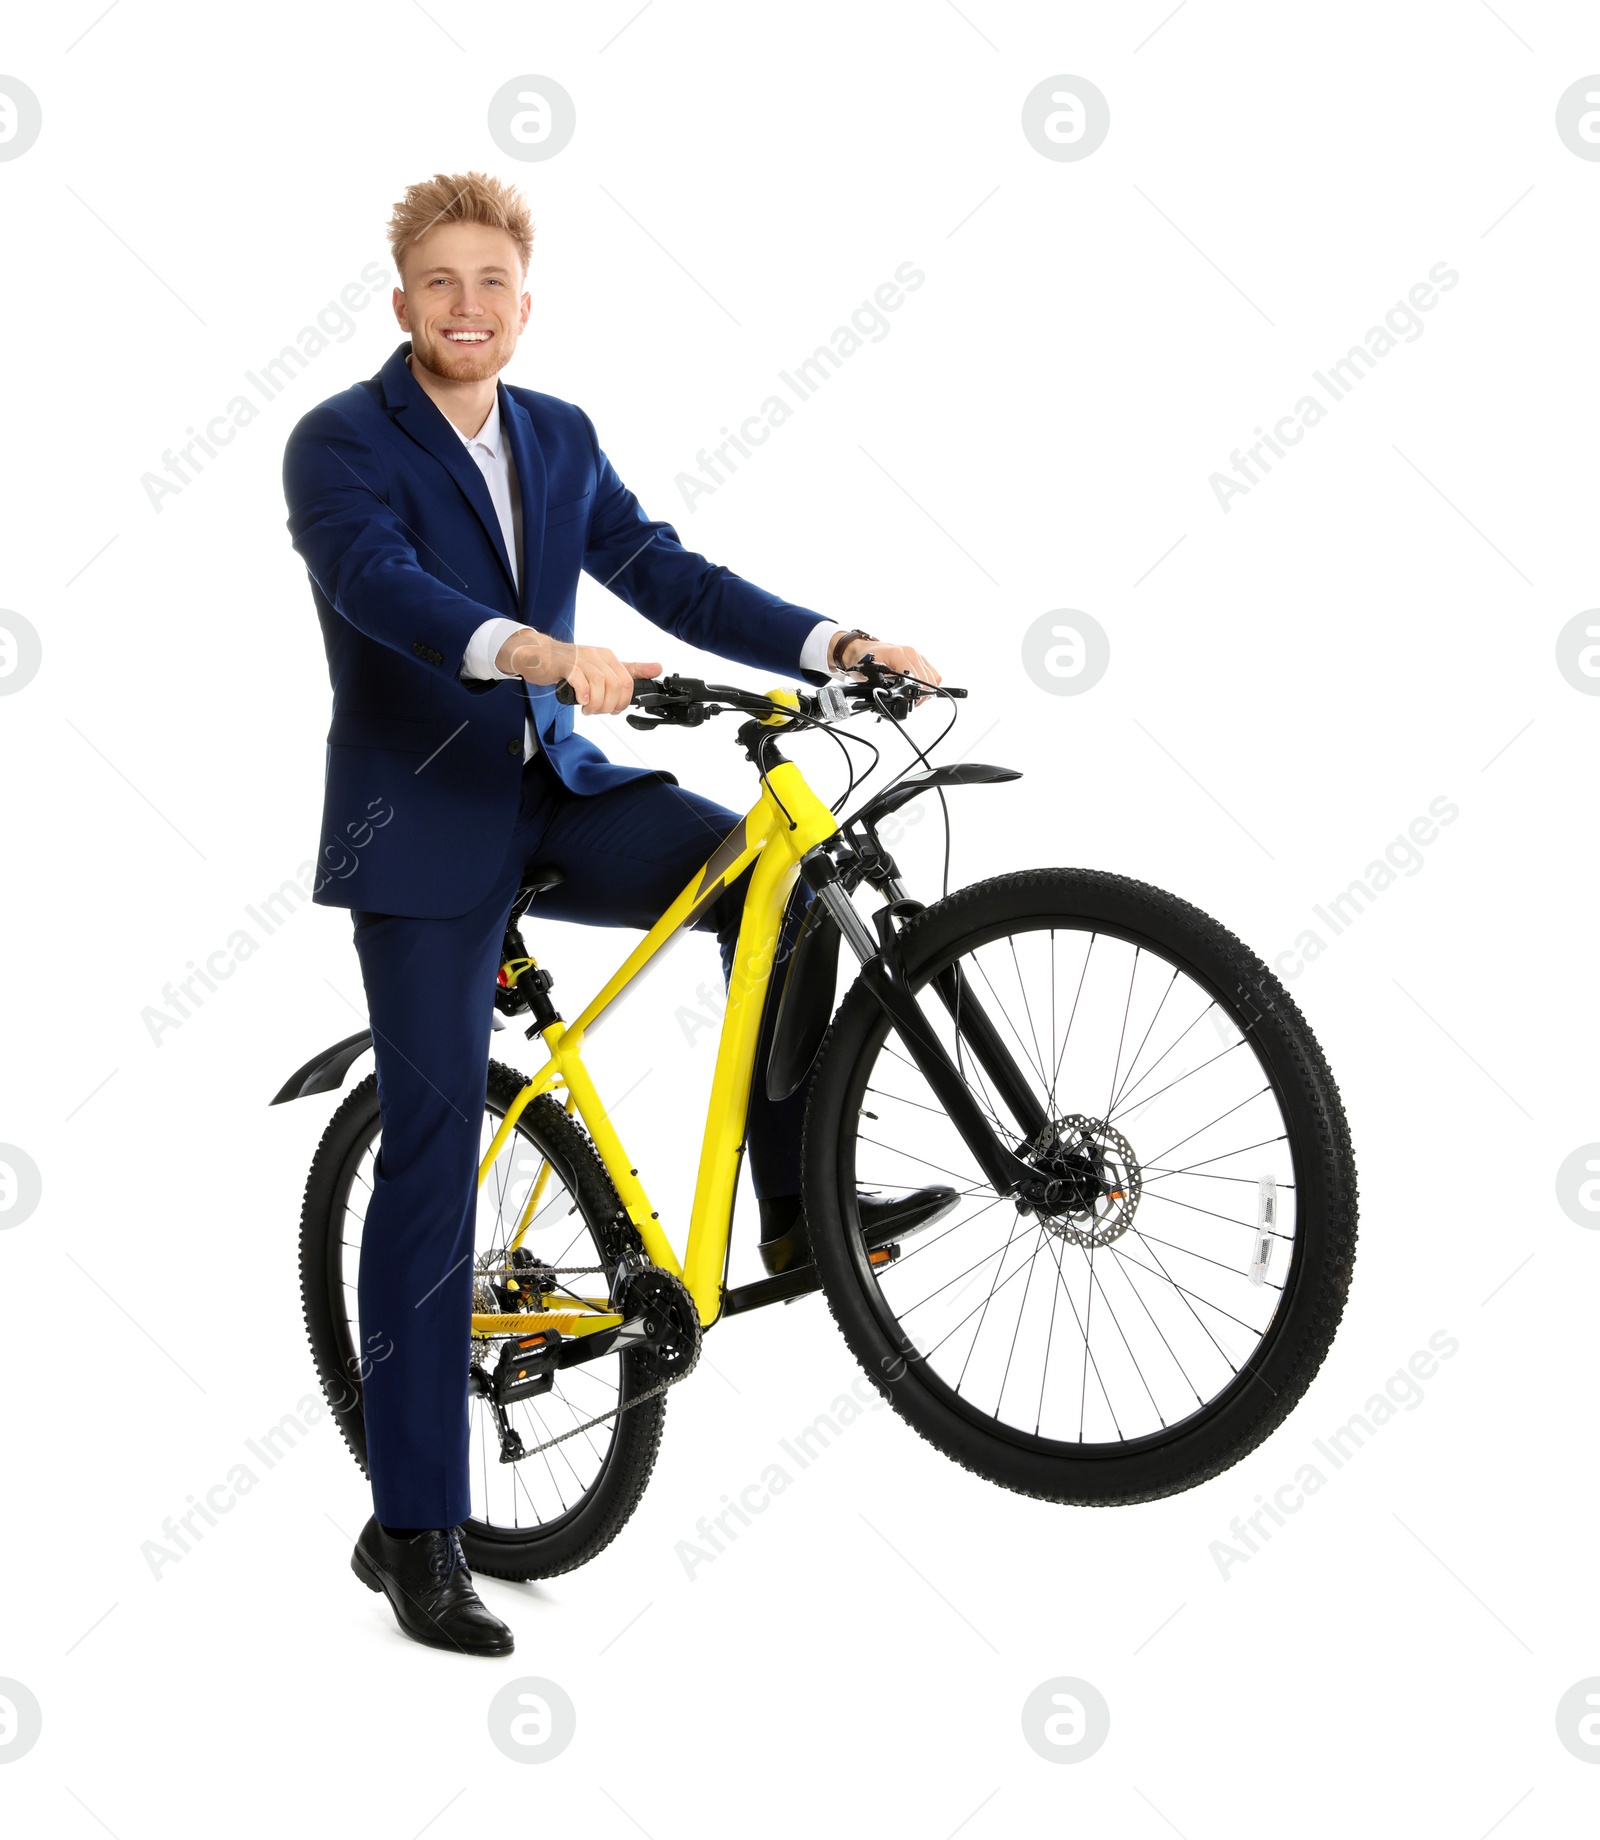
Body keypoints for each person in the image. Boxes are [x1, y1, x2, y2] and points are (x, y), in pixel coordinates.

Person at [282, 171, 947, 1654]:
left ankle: (797, 1208)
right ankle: (415, 1535)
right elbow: (373, 582)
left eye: (493, 285)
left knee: (777, 875)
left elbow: (661, 573)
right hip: (423, 825)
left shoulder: (559, 435)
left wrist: (835, 643)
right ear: (400, 305)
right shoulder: (340, 441)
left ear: (527, 302)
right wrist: (527, 648)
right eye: (441, 285)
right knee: (436, 1155)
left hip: (563, 791)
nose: (468, 308)